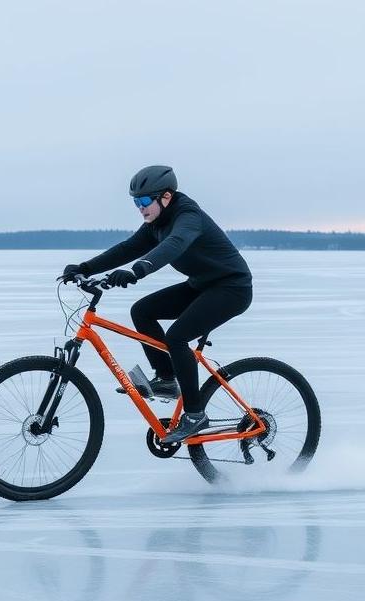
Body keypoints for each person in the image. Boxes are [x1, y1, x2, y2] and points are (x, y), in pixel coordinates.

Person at [61, 165, 253, 444]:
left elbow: (175, 244)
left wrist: (138, 271)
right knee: (142, 310)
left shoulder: (188, 216)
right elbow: (128, 248)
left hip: (231, 288)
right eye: (135, 203)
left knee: (177, 336)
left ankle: (195, 414)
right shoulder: (156, 223)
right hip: (202, 285)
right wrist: (85, 267)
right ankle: (165, 379)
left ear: (165, 197)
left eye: (144, 201)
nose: (140, 208)